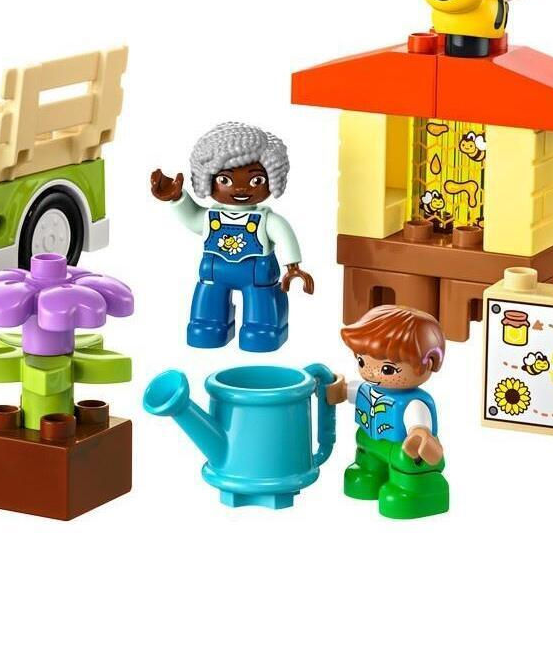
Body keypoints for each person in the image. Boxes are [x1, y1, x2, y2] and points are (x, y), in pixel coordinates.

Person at [150, 121, 313, 352]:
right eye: (225, 180)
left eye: (256, 180)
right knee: (206, 312)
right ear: (207, 179)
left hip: (257, 275)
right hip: (214, 272)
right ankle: (208, 326)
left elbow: (284, 235)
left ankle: (262, 330)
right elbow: (193, 218)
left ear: (273, 179)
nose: (240, 189)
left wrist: (293, 267)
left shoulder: (266, 219)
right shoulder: (211, 216)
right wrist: (177, 198)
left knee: (262, 316)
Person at [326, 305, 449, 519]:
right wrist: (339, 389)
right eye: (362, 361)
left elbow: (419, 425)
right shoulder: (368, 388)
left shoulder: (414, 403)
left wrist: (420, 434)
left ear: (428, 363)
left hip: (401, 450)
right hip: (369, 444)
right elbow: (349, 391)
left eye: (387, 369)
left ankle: (411, 490)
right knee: (366, 460)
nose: (372, 373)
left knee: (405, 463)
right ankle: (370, 472)